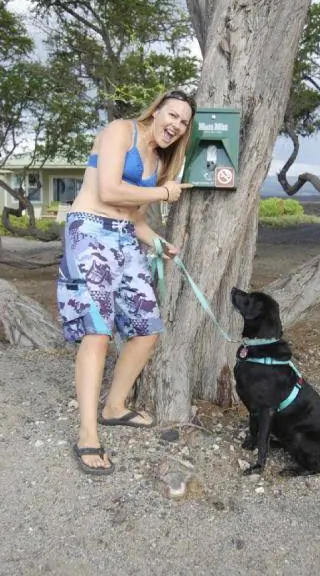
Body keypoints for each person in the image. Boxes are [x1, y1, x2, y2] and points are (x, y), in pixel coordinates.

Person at [57, 90, 196, 475]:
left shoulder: (160, 162)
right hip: (88, 232)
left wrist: (160, 243)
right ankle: (87, 434)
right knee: (97, 332)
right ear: (156, 111)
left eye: (184, 122)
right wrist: (163, 193)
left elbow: (134, 218)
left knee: (147, 329)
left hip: (123, 238)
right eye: (172, 115)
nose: (176, 125)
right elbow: (109, 190)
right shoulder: (121, 131)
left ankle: (114, 406)